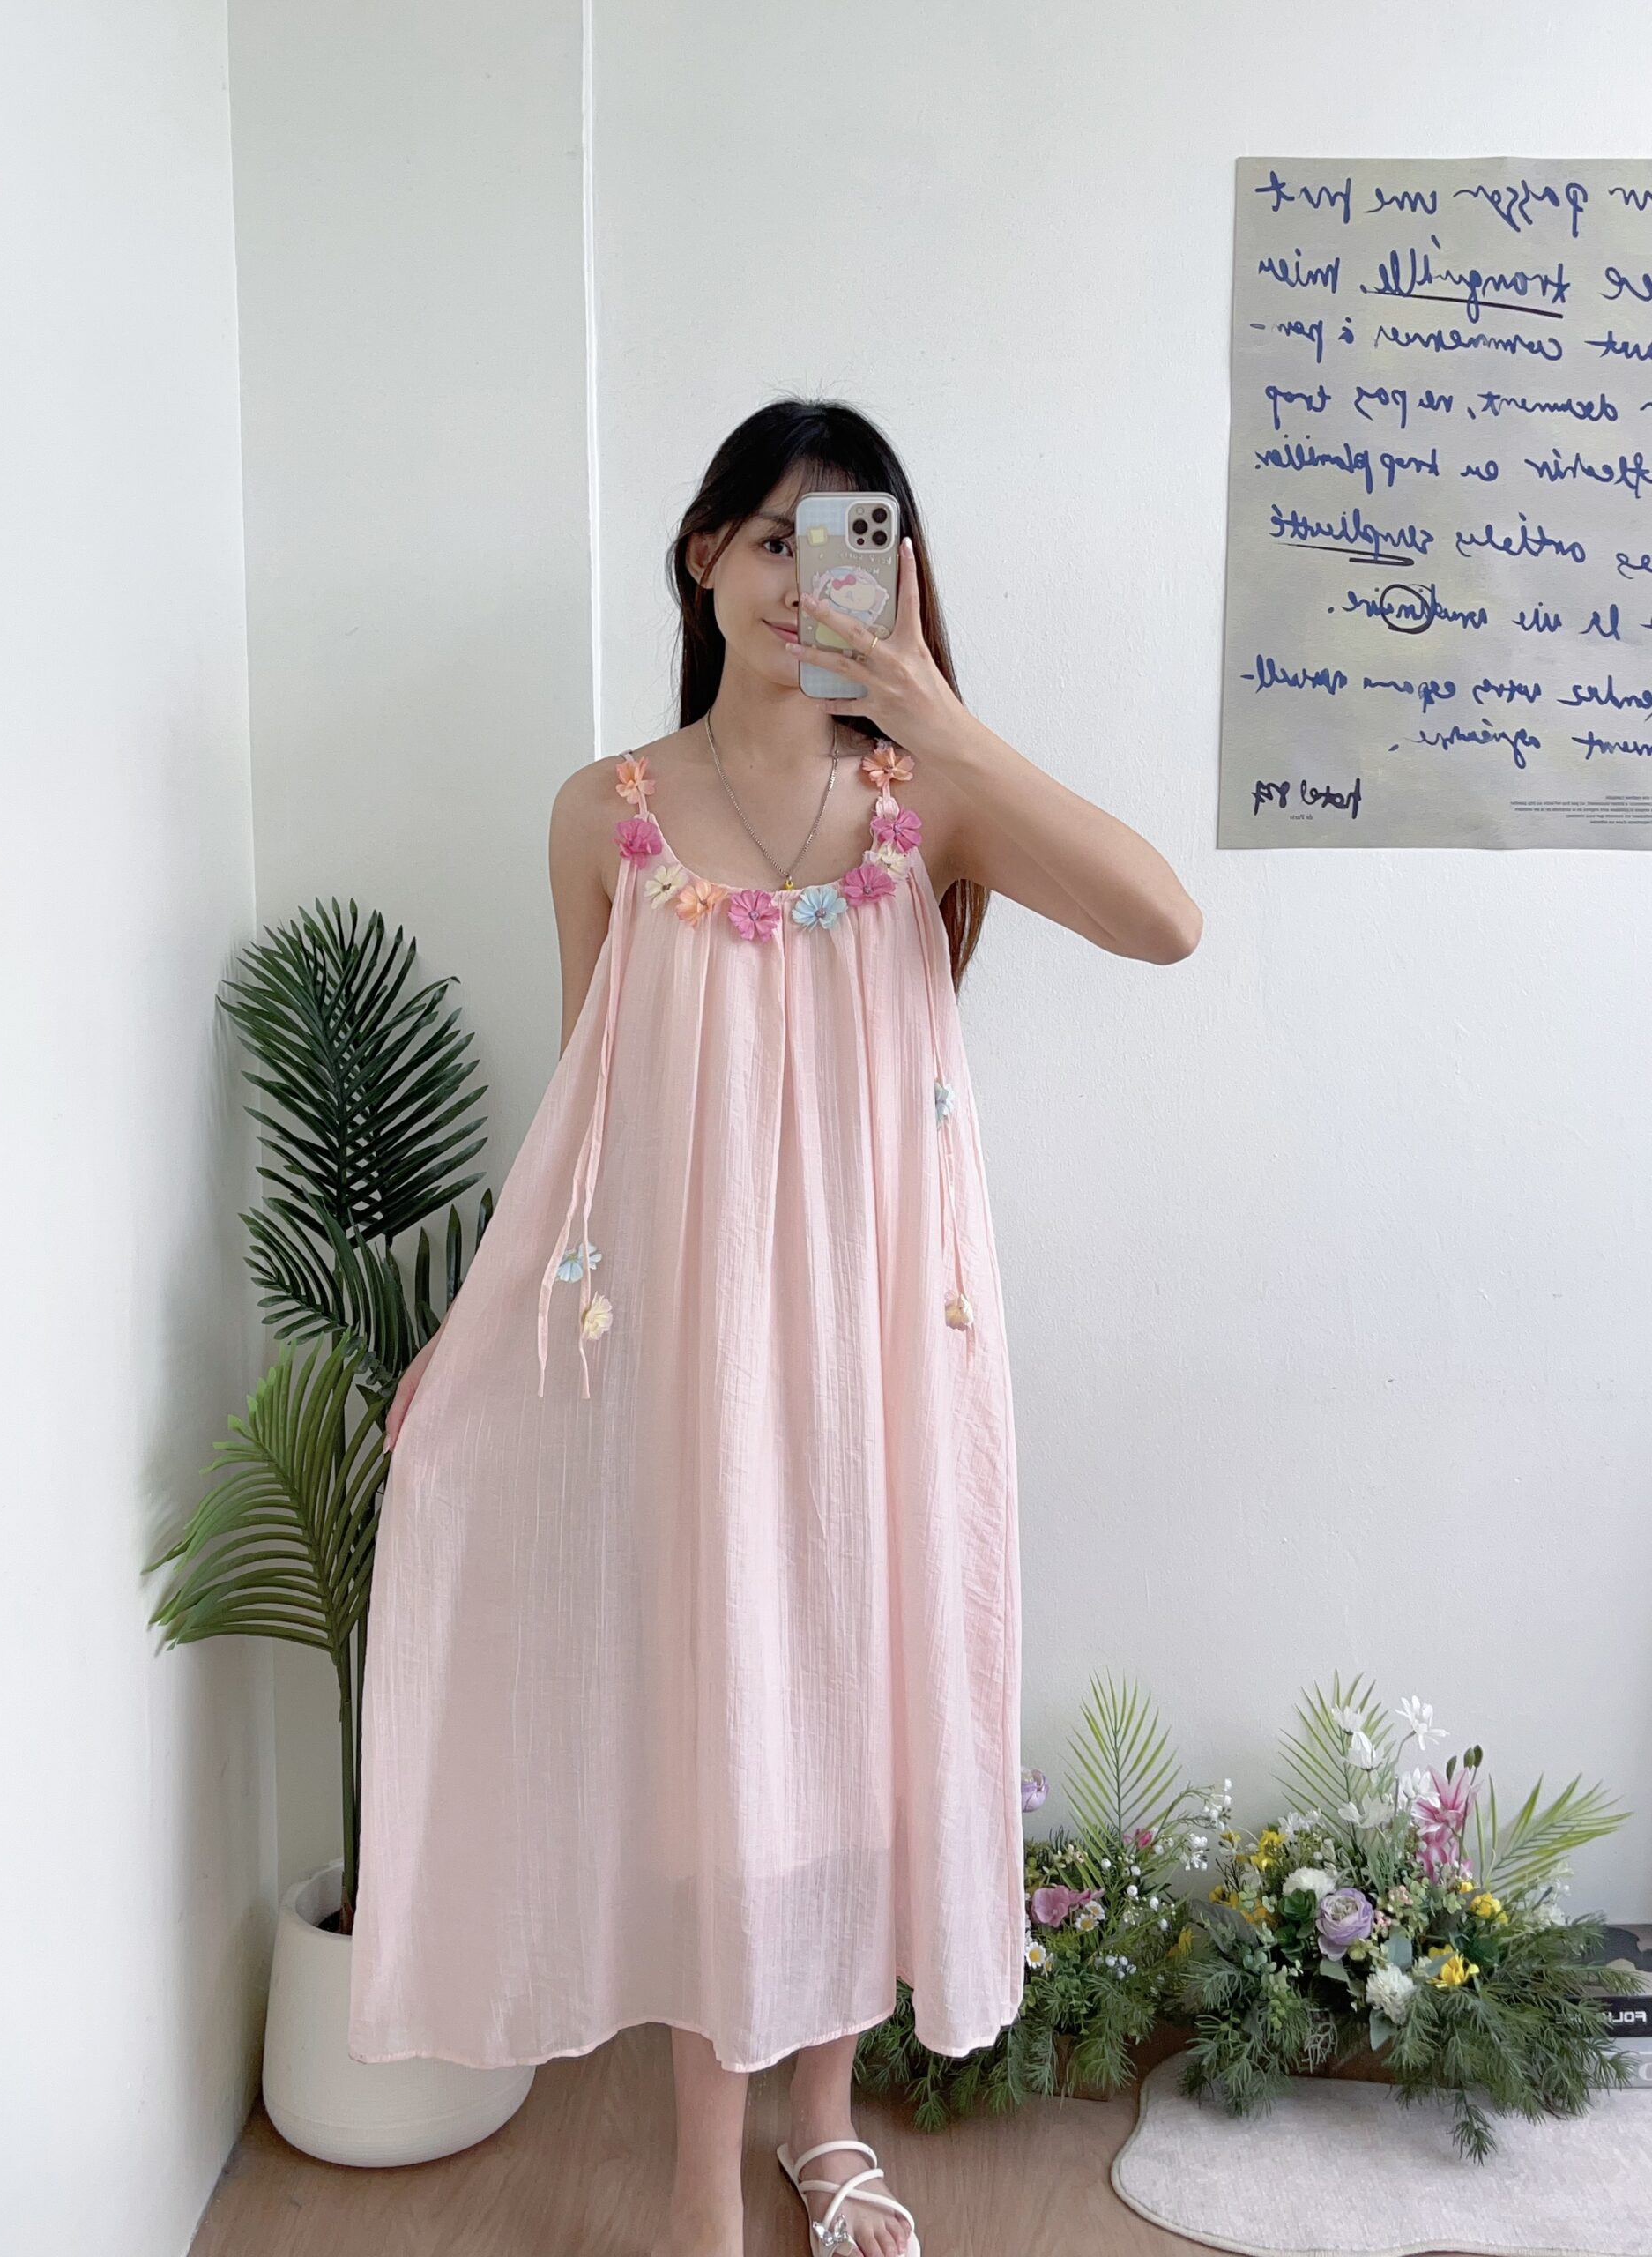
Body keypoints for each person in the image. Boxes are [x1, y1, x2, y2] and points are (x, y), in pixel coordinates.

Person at [346, 398, 1202, 2257]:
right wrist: (477, 1335)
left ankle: (823, 2128)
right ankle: (693, 2176)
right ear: (704, 556)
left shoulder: (929, 800)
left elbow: (1166, 921)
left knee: (855, 1712)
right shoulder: (603, 814)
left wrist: (945, 718)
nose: (808, 585)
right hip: (689, 1336)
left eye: (852, 549)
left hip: (890, 1332)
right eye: (773, 542)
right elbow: (586, 1111)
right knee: (709, 1727)